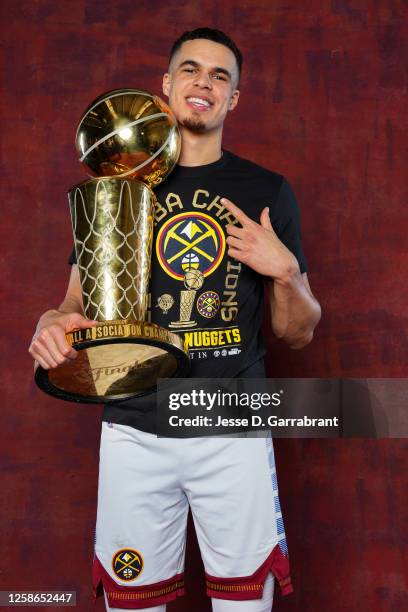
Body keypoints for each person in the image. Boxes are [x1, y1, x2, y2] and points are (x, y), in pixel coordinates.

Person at [29, 28, 321, 612]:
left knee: (245, 605)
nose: (203, 83)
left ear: (233, 99)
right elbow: (74, 304)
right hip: (135, 427)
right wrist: (52, 322)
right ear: (166, 85)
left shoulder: (265, 190)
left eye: (220, 76)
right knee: (131, 603)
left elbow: (298, 332)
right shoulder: (118, 186)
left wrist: (284, 272)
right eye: (191, 70)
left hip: (232, 427)